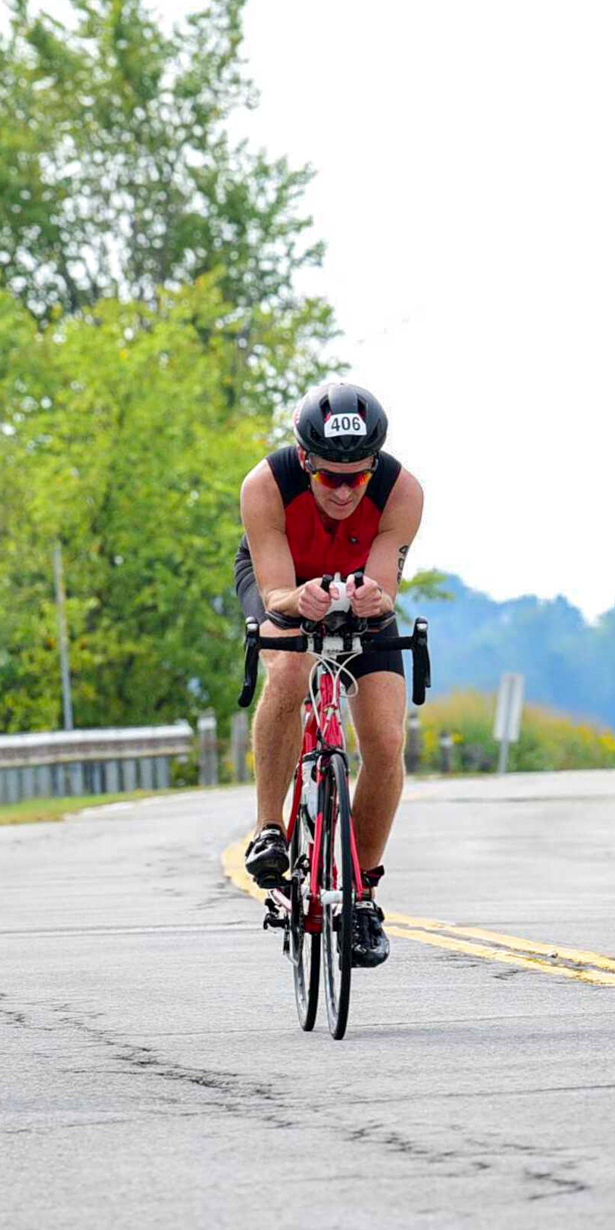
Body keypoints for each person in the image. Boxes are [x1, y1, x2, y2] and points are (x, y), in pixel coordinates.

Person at [234, 381, 424, 968]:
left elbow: (384, 588)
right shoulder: (266, 484)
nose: (343, 490)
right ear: (307, 460)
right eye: (329, 477)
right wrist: (298, 601)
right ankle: (269, 827)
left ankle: (362, 894)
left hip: (358, 593)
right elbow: (273, 591)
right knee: (289, 671)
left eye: (357, 477)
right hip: (285, 585)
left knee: (387, 740)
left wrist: (370, 599)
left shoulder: (402, 491)